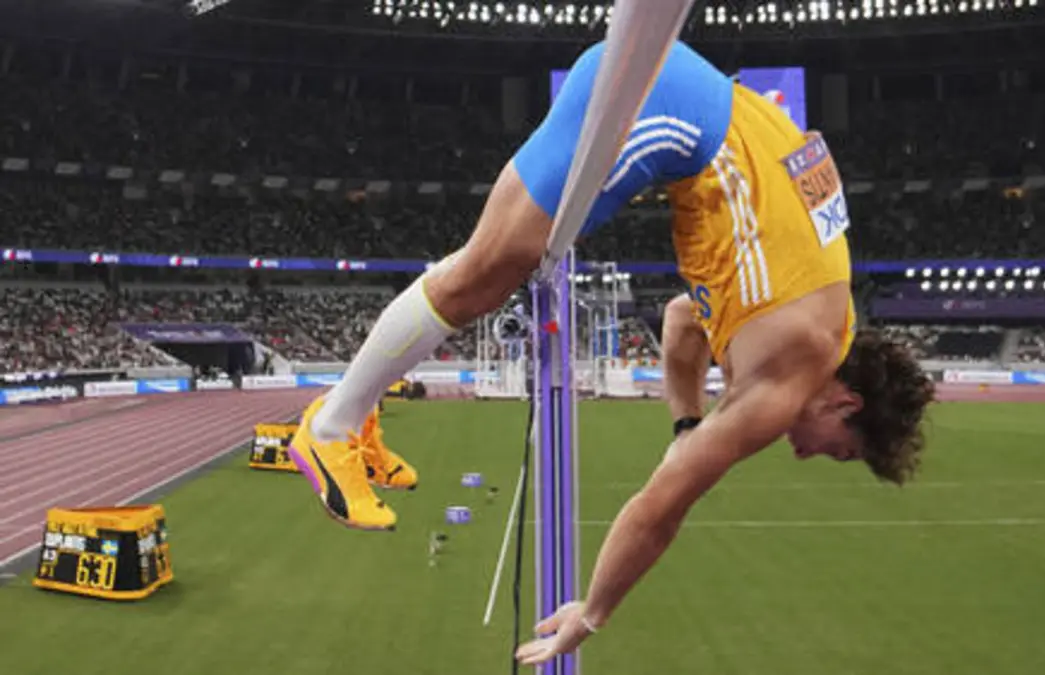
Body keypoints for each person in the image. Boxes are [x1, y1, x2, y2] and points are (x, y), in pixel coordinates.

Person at [283, 38, 934, 658]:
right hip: (675, 112)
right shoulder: (790, 374)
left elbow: (682, 323)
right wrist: (591, 613)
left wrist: (686, 424)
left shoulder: (823, 320)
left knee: (479, 266)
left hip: (694, 103)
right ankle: (331, 426)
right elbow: (660, 509)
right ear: (845, 398)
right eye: (838, 447)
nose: (808, 451)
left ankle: (354, 408)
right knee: (481, 275)